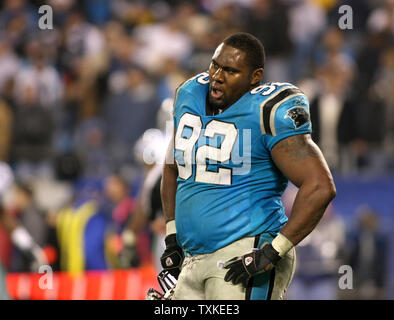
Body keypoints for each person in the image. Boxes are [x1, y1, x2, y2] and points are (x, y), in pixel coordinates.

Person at [159, 33, 336, 300]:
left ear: (255, 77)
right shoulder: (189, 95)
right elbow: (173, 167)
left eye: (230, 71)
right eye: (215, 65)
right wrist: (172, 236)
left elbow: (320, 186)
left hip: (243, 253)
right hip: (192, 258)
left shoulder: (268, 109)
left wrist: (273, 251)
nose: (217, 76)